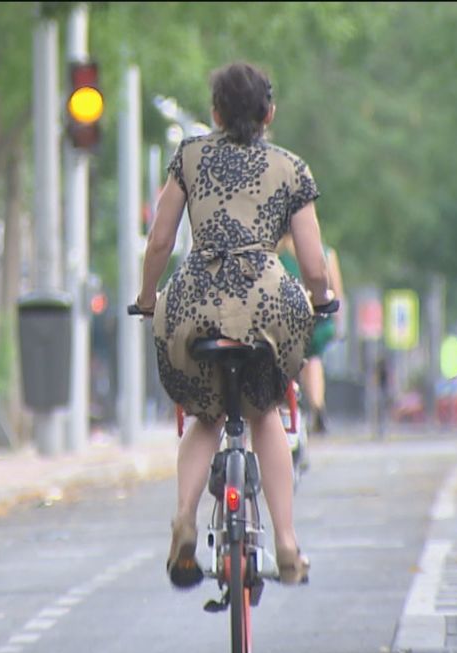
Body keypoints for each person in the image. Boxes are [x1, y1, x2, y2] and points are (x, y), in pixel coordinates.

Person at [134, 62, 333, 589]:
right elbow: (313, 265)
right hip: (267, 303)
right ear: (269, 113)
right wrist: (322, 298)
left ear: (216, 113)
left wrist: (147, 295)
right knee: (265, 414)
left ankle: (183, 520)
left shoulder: (190, 158)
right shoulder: (292, 169)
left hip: (195, 299)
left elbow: (159, 243)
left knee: (205, 417)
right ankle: (287, 545)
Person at [277, 233, 346, 433]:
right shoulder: (324, 252)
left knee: (280, 355)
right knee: (313, 358)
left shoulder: (275, 251)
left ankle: (283, 404)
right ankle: (317, 406)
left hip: (282, 322)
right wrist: (338, 324)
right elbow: (336, 291)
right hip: (315, 321)